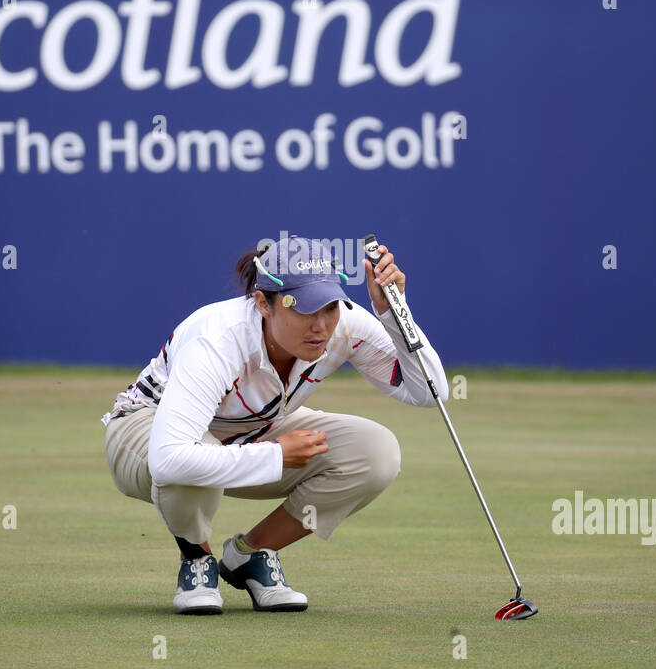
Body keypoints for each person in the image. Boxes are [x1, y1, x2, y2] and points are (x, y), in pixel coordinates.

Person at [101, 234, 450, 614]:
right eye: (302, 309)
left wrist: (394, 315)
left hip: (253, 426)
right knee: (190, 460)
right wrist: (276, 456)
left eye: (329, 307)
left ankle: (249, 555)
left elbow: (429, 393)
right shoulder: (217, 339)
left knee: (376, 452)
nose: (320, 326)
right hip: (144, 428)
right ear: (263, 304)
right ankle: (197, 559)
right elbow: (169, 459)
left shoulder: (346, 324)